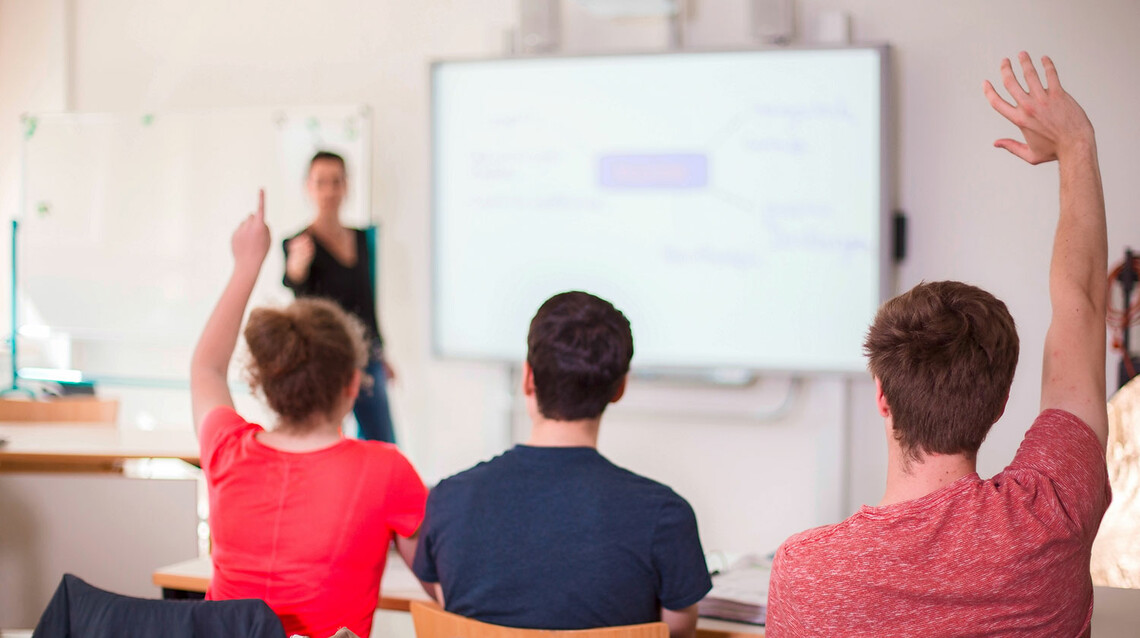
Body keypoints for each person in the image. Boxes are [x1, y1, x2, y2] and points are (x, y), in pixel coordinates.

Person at [766, 53, 1111, 636]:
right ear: (1001, 403)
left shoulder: (807, 572)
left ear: (882, 394)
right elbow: (1081, 306)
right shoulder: (1053, 514)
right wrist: (1076, 143)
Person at [191, 190, 430, 638]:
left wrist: (247, 263)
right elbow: (446, 591)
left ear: (264, 382)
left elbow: (206, 367)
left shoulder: (225, 449)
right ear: (352, 387)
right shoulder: (386, 472)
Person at [412, 291, 712, 638]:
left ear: (527, 379)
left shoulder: (449, 500)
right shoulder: (667, 516)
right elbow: (677, 634)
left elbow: (448, 604)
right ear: (620, 388)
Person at [284, 151, 396, 443]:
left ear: (346, 185)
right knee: (325, 443)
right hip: (324, 361)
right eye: (321, 182)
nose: (330, 191)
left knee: (382, 442)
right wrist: (297, 267)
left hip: (366, 356)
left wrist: (381, 353)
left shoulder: (361, 239)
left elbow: (366, 300)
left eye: (336, 182)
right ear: (308, 187)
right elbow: (296, 290)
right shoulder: (299, 244)